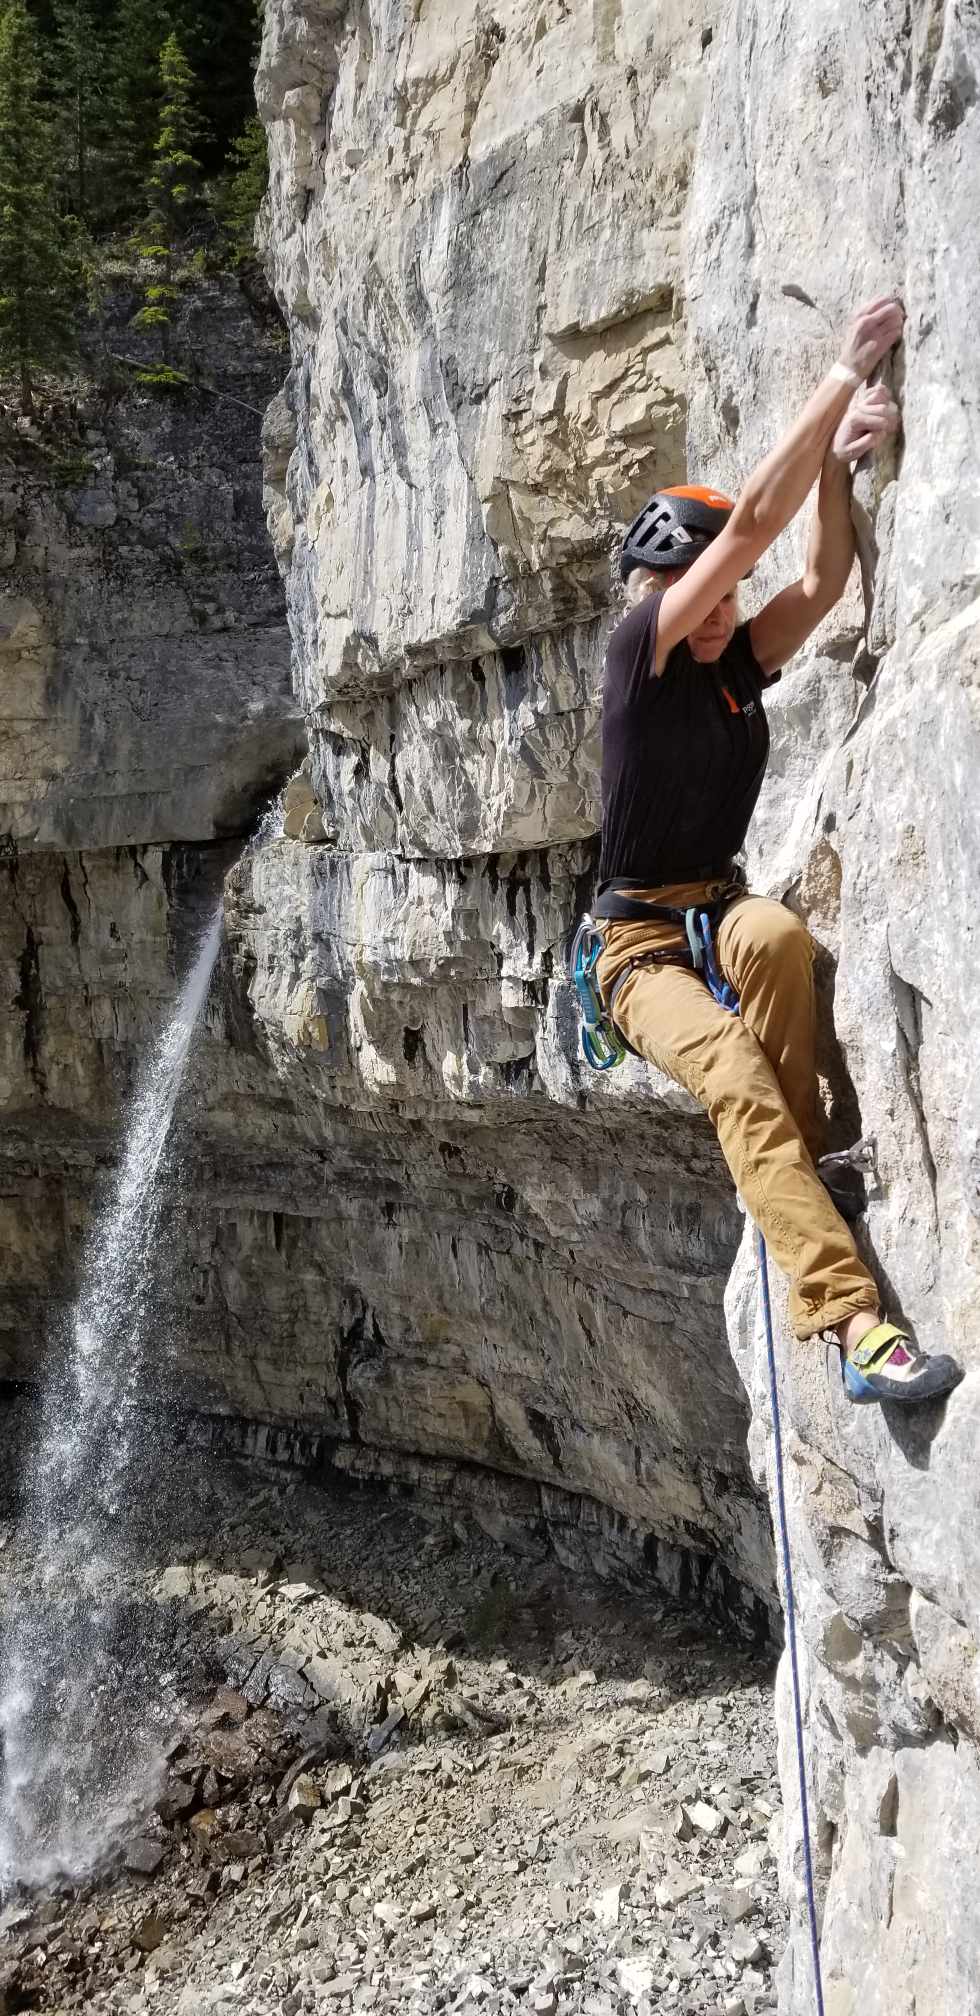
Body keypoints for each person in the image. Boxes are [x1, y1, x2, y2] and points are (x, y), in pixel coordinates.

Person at [594, 295, 962, 1406]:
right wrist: (840, 381)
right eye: (702, 598)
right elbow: (752, 527)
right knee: (732, 1071)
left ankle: (798, 1182)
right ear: (667, 591)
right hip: (635, 955)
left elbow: (816, 583)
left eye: (723, 605)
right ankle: (850, 1323)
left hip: (715, 911)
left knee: (781, 937)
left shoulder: (724, 666)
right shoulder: (638, 655)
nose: (720, 617)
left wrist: (841, 481)